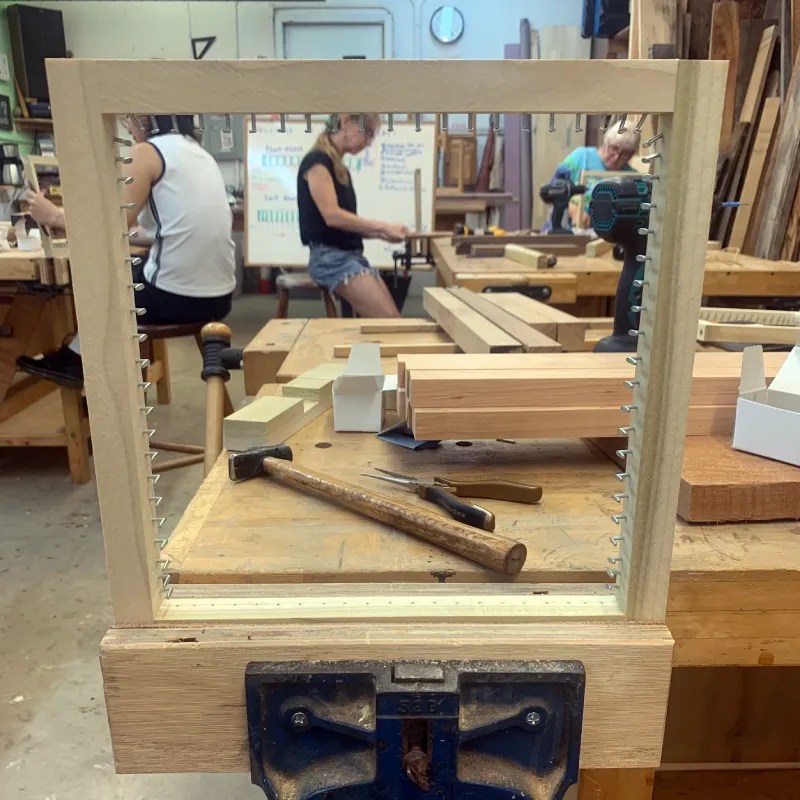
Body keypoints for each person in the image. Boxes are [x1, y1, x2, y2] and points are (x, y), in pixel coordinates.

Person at [18, 114, 236, 389]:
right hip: (219, 297)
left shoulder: (146, 153)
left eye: (129, 122)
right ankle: (78, 354)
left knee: (101, 279)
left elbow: (114, 223)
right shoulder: (199, 153)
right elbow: (166, 231)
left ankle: (78, 361)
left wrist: (55, 217)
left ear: (145, 118)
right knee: (131, 267)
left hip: (176, 298)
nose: (128, 129)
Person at [297, 113, 409, 317]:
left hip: (349, 256)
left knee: (393, 318)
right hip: (329, 259)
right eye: (367, 133)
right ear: (346, 121)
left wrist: (383, 234)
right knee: (391, 321)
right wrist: (382, 227)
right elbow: (332, 216)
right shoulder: (317, 162)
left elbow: (345, 225)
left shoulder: (339, 167)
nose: (368, 142)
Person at [552, 127, 640, 231]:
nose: (616, 157)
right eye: (614, 148)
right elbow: (552, 189)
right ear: (605, 143)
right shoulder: (580, 157)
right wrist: (572, 208)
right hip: (568, 230)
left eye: (625, 154)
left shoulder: (632, 177)